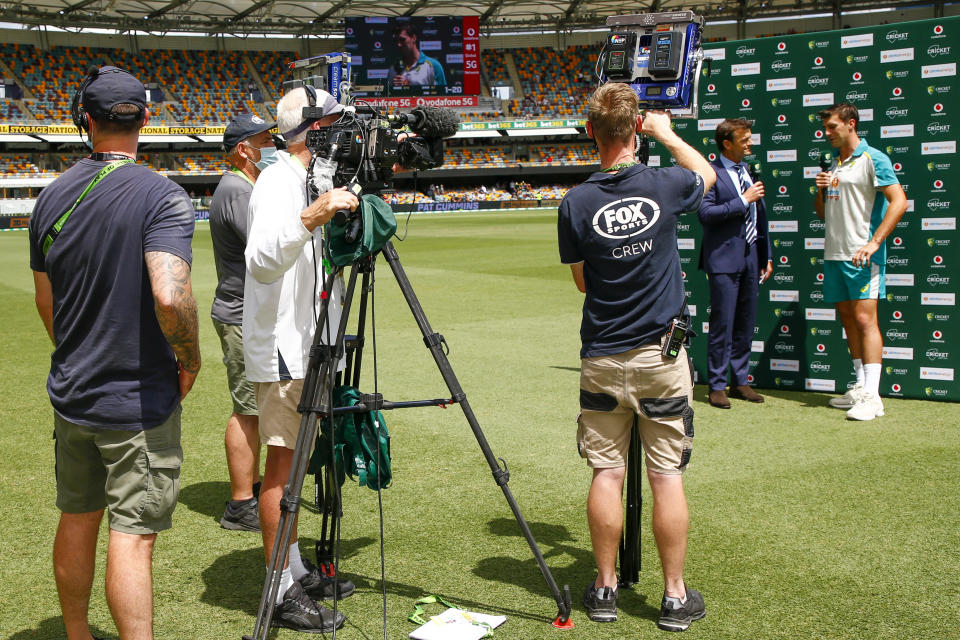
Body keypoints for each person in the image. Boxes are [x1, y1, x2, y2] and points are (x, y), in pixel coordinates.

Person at [28, 66, 200, 640]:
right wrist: (191, 360)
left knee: (77, 517)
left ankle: (77, 633)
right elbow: (170, 298)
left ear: (85, 121)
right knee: (132, 535)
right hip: (136, 398)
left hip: (73, 391)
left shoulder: (50, 196)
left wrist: (78, 350)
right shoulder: (161, 194)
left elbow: (45, 301)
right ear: (145, 119)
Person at [557, 83, 716, 632]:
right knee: (666, 476)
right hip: (660, 355)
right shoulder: (666, 182)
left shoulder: (574, 202)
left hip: (602, 354)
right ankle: (673, 597)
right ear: (635, 131)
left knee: (606, 471)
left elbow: (582, 283)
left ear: (590, 132)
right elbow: (708, 176)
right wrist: (668, 134)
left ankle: (604, 590)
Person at [243, 85, 358, 633]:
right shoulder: (275, 180)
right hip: (287, 348)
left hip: (312, 341)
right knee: (282, 467)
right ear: (315, 128)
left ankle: (292, 567)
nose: (348, 134)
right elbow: (262, 260)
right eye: (339, 124)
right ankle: (280, 589)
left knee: (295, 465)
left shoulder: (316, 177)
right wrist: (314, 216)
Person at [814, 102, 907, 421]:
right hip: (835, 254)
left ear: (851, 124)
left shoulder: (873, 158)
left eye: (832, 127)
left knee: (867, 321)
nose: (827, 133)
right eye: (825, 128)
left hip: (863, 255)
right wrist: (820, 191)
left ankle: (873, 395)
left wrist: (874, 242)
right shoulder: (836, 164)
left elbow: (900, 202)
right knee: (849, 320)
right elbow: (823, 214)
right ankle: (860, 385)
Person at [210, 113, 278, 531]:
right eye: (264, 139)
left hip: (245, 312)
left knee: (252, 408)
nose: (272, 143)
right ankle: (241, 503)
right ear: (243, 149)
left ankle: (250, 489)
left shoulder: (244, 186)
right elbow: (266, 249)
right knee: (248, 410)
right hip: (240, 315)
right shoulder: (237, 189)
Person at [698, 118, 773, 409]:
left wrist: (765, 254)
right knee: (723, 324)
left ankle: (740, 380)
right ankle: (717, 385)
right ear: (726, 143)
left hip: (751, 257)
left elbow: (760, 217)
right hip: (723, 260)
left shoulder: (747, 171)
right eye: (744, 140)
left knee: (745, 322)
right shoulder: (711, 174)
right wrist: (743, 199)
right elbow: (705, 214)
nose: (750, 143)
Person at [387, 23, 447, 88]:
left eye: (402, 40)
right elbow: (389, 97)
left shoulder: (433, 66)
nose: (399, 44)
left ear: (414, 38)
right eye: (396, 40)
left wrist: (409, 87)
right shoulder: (393, 69)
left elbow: (442, 96)